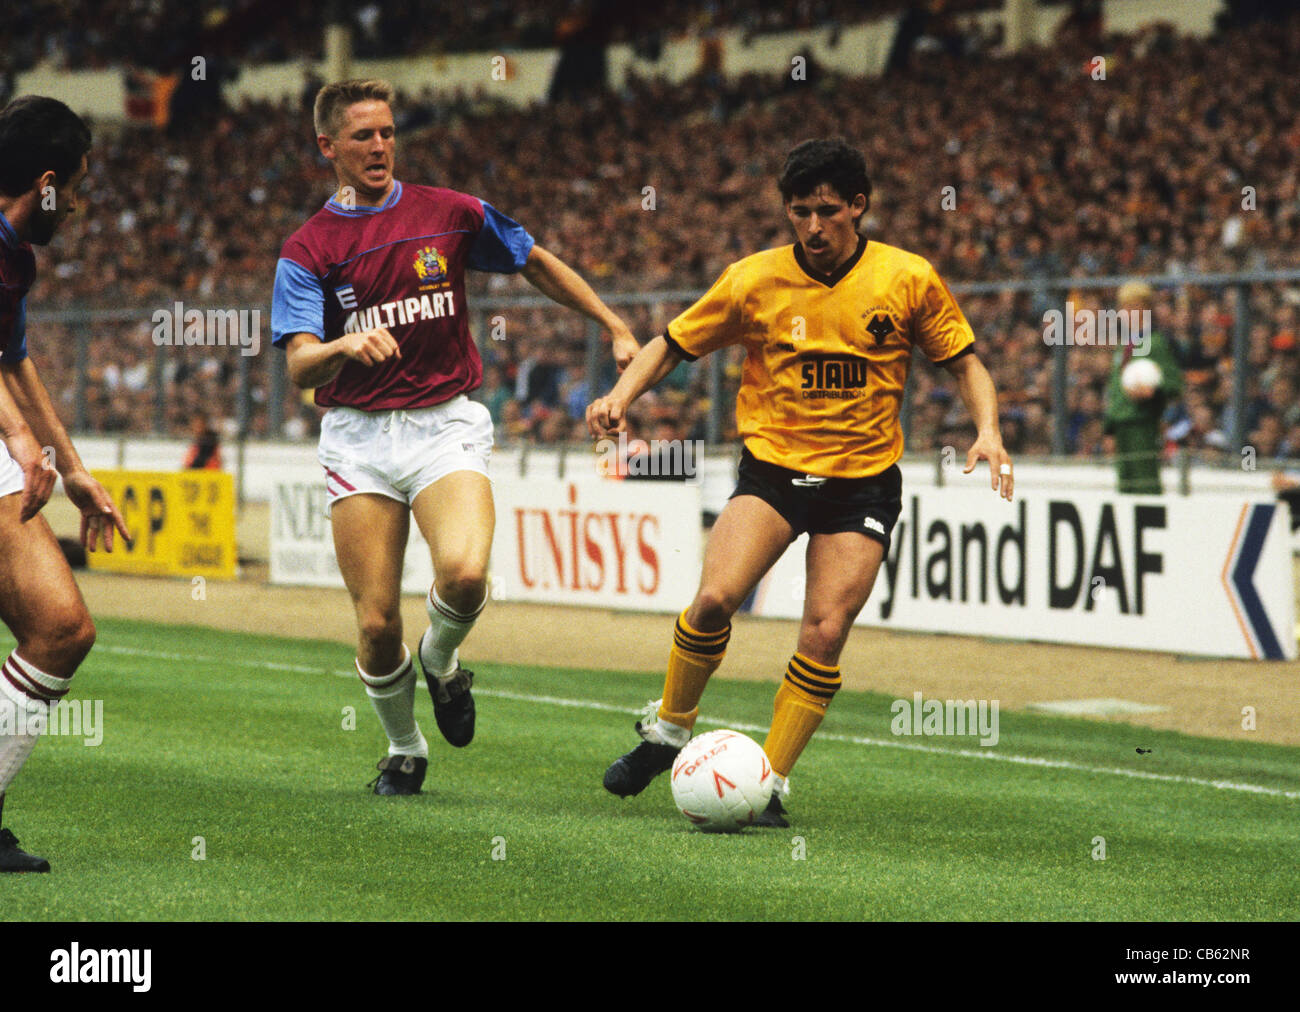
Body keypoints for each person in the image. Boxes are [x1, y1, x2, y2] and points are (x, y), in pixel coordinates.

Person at [588, 138, 1013, 827]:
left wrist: (986, 431)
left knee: (823, 632)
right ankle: (668, 730)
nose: (813, 227)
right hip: (775, 471)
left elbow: (965, 362)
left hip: (863, 482)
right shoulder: (752, 280)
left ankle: (771, 783)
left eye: (826, 211)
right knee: (715, 599)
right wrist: (621, 395)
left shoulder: (907, 278)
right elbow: (673, 342)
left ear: (857, 206)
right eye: (799, 212)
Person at [272, 79, 638, 795]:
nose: (379, 147)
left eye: (387, 132)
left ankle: (440, 661)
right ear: (327, 147)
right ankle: (405, 749)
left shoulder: (450, 212)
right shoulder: (308, 248)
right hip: (358, 439)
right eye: (361, 137)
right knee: (378, 625)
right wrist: (345, 347)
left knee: (466, 574)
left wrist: (615, 325)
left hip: (445, 423)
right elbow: (298, 364)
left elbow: (533, 259)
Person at [0, 96, 130, 871]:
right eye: (76, 186)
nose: (78, 204)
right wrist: (19, 439)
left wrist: (71, 465)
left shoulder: (16, 256)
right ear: (46, 183)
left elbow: (14, 360)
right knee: (60, 625)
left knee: (61, 627)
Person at [1102, 281, 1183, 494]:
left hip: (1143, 423)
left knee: (1144, 482)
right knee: (1125, 484)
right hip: (1121, 425)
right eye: (1123, 308)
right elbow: (1115, 389)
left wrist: (1152, 391)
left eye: (1131, 307)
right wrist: (1109, 429)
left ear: (1144, 309)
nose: (1125, 313)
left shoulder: (1155, 342)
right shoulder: (1124, 346)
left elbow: (1173, 382)